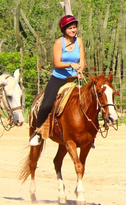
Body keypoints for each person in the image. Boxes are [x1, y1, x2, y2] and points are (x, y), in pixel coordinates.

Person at [30, 15, 86, 146]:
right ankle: (38, 132)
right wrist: (71, 64)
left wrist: (80, 71)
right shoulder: (59, 43)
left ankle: (89, 133)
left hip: (73, 79)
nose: (73, 30)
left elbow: (82, 60)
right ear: (64, 29)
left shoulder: (79, 41)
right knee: (46, 105)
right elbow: (57, 63)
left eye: (74, 27)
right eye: (70, 28)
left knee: (89, 101)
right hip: (59, 78)